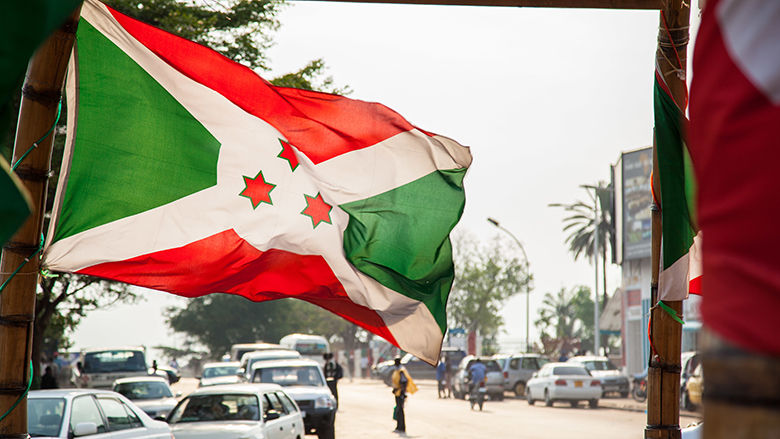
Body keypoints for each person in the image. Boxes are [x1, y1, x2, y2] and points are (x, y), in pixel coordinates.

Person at [391, 357, 417, 433]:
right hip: (397, 393)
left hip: (400, 393)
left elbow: (404, 382)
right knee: (398, 410)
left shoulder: (401, 371)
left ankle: (402, 427)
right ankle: (399, 426)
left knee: (400, 410)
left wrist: (402, 392)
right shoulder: (397, 371)